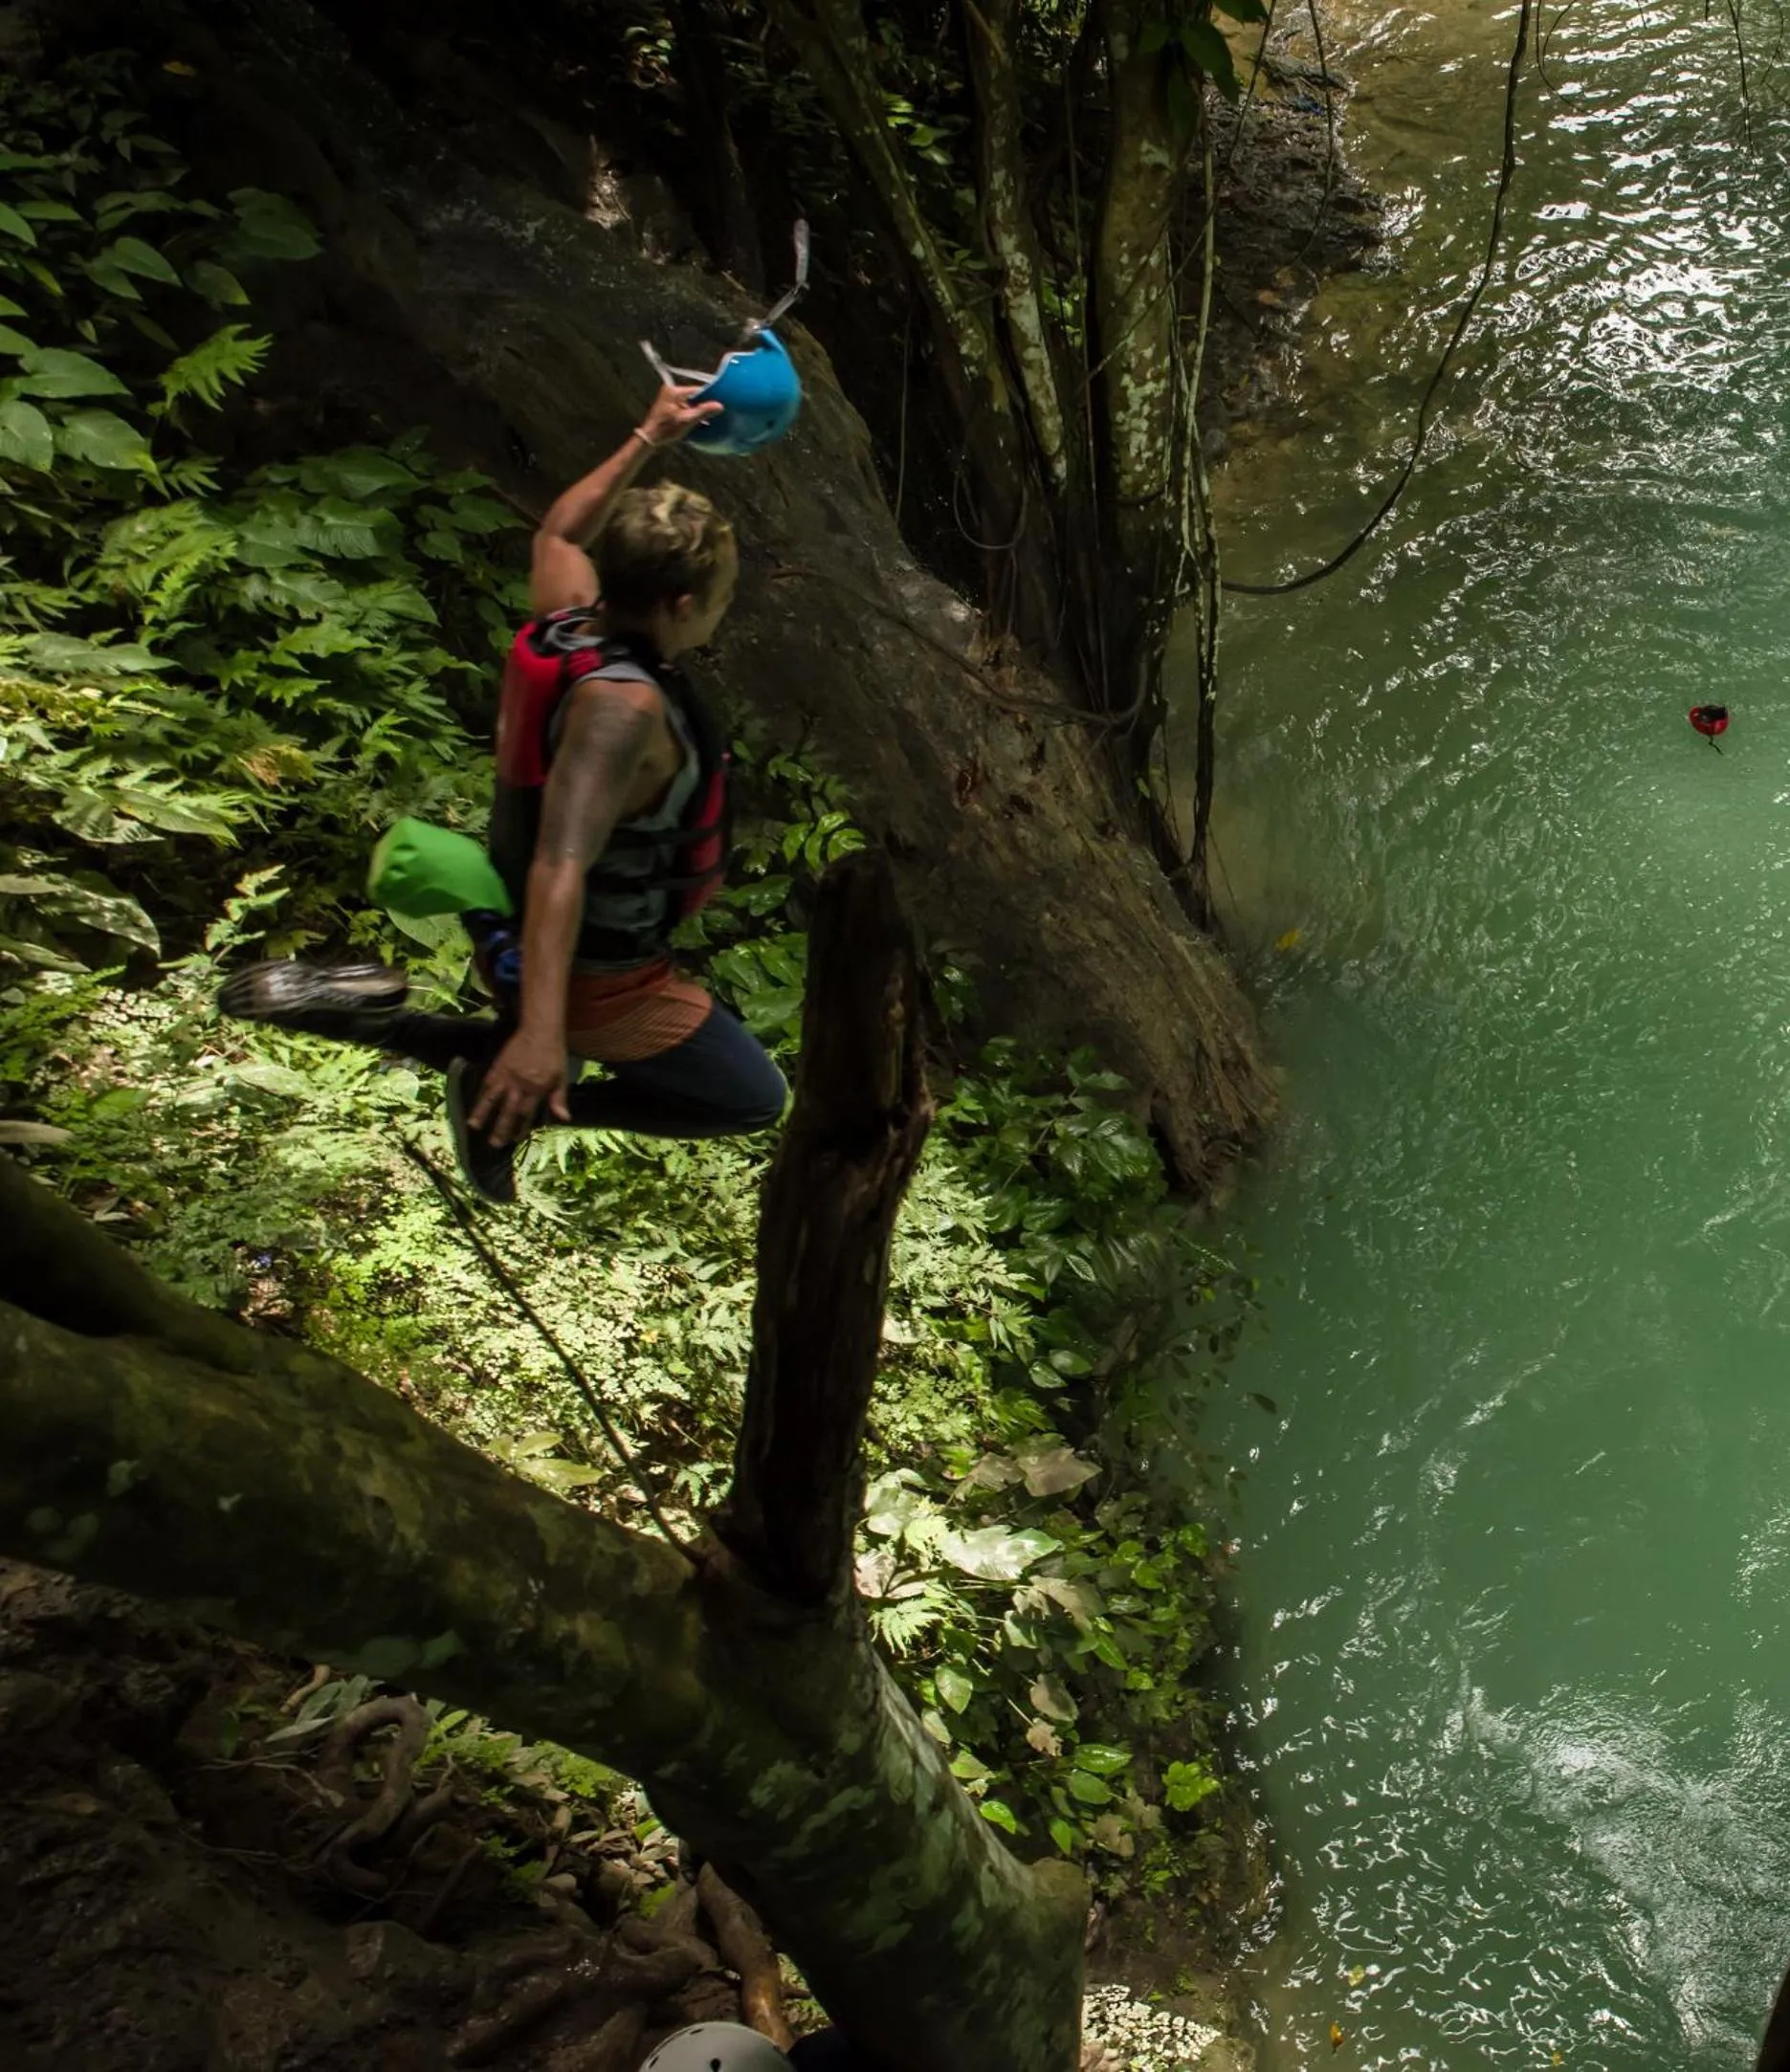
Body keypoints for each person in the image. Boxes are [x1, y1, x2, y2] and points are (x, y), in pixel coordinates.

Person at [219, 383, 789, 1202]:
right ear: (684, 603)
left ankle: (401, 1023)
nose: (721, 616)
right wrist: (540, 1036)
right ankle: (496, 1094)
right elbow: (562, 862)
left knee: (684, 1036)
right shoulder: (621, 712)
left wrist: (648, 434)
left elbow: (560, 529)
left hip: (509, 920)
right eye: (724, 601)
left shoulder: (570, 620)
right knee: (749, 1099)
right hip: (592, 972)